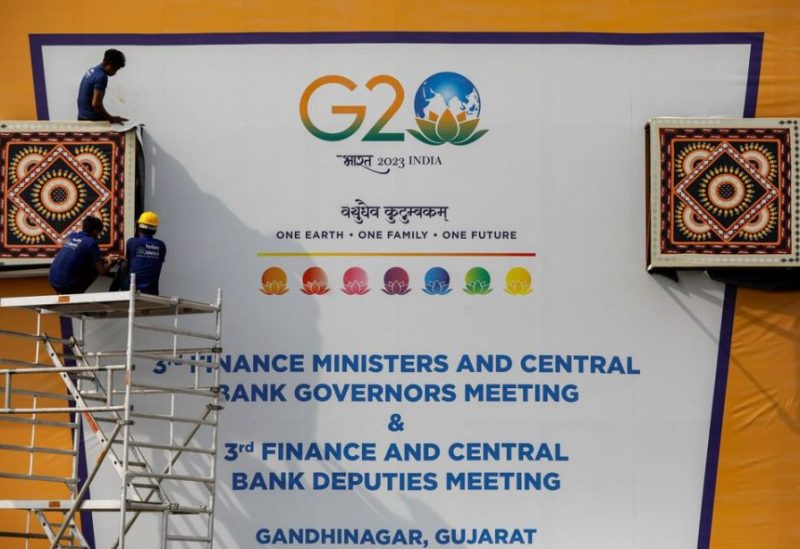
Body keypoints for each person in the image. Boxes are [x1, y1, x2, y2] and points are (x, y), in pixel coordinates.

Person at [49, 216, 118, 294]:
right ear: (95, 231)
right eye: (99, 233)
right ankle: (76, 294)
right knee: (94, 268)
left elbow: (75, 254)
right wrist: (110, 264)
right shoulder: (91, 243)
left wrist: (102, 258)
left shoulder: (71, 236)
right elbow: (101, 272)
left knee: (87, 262)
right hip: (66, 285)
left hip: (52, 281)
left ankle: (61, 291)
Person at [117, 211, 167, 295]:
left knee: (123, 264)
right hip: (152, 291)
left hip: (130, 288)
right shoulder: (161, 246)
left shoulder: (132, 242)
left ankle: (111, 295)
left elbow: (129, 261)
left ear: (139, 228)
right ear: (155, 231)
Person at [77, 48, 129, 124]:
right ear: (108, 63)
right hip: (91, 120)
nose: (115, 73)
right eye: (115, 69)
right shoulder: (101, 76)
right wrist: (111, 118)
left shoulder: (92, 70)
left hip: (82, 116)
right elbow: (96, 104)